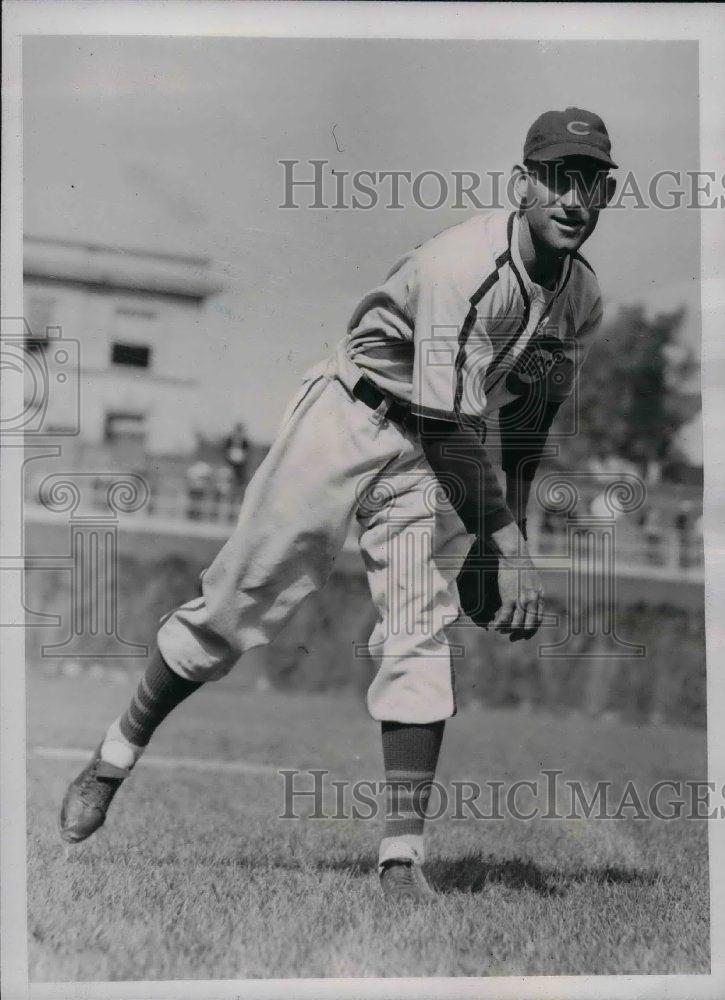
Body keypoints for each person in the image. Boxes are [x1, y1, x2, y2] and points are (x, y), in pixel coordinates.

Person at [60, 108, 617, 901]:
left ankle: (399, 859)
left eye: (589, 182)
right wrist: (512, 551)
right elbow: (443, 422)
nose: (572, 199)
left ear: (606, 194)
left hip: (432, 456)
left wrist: (506, 533)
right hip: (350, 417)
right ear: (519, 184)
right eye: (557, 177)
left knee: (422, 631)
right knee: (234, 606)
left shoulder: (582, 297)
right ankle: (113, 757)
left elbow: (527, 410)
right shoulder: (465, 264)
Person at [223, 422, 249, 491]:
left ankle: (238, 492)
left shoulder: (244, 441)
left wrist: (243, 458)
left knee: (240, 479)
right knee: (230, 478)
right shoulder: (229, 440)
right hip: (231, 462)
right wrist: (229, 457)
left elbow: (246, 453)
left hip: (241, 463)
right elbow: (226, 451)